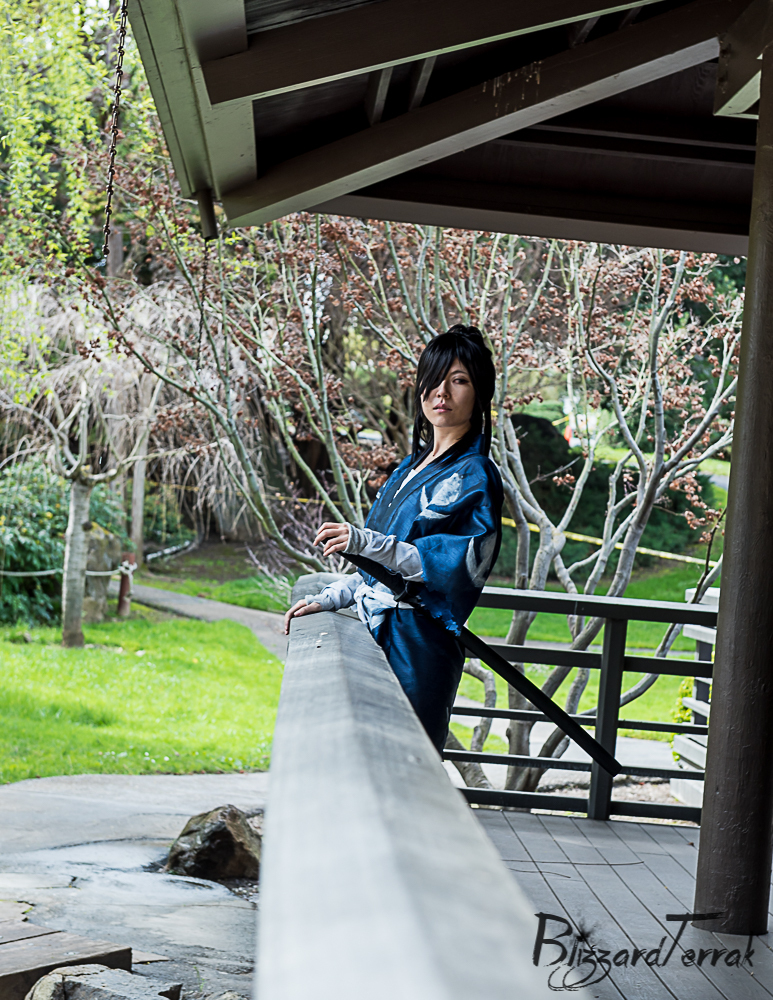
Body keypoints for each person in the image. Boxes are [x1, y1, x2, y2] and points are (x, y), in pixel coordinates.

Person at [284, 325, 503, 751]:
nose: (441, 392)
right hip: (374, 635)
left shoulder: (476, 475)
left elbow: (450, 564)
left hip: (416, 647)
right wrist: (334, 596)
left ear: (480, 395)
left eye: (458, 380)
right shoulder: (408, 467)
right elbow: (381, 571)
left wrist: (363, 542)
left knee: (403, 760)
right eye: (433, 379)